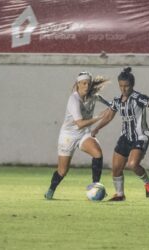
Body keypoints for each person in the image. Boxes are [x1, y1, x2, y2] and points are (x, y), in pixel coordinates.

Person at [91, 67, 149, 201]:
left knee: (133, 164)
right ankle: (120, 195)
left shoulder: (138, 98)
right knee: (116, 169)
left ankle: (148, 183)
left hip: (140, 137)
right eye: (121, 86)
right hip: (125, 137)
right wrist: (97, 128)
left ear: (132, 85)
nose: (124, 89)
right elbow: (108, 117)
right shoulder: (117, 101)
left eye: (126, 86)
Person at [44, 72, 110, 200]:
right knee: (62, 171)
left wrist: (119, 105)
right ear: (78, 84)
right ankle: (51, 190)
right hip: (68, 136)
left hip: (83, 134)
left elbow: (111, 105)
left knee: (97, 153)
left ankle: (95, 186)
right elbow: (79, 124)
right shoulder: (73, 99)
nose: (86, 86)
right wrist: (99, 117)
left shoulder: (94, 96)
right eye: (83, 83)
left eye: (88, 83)